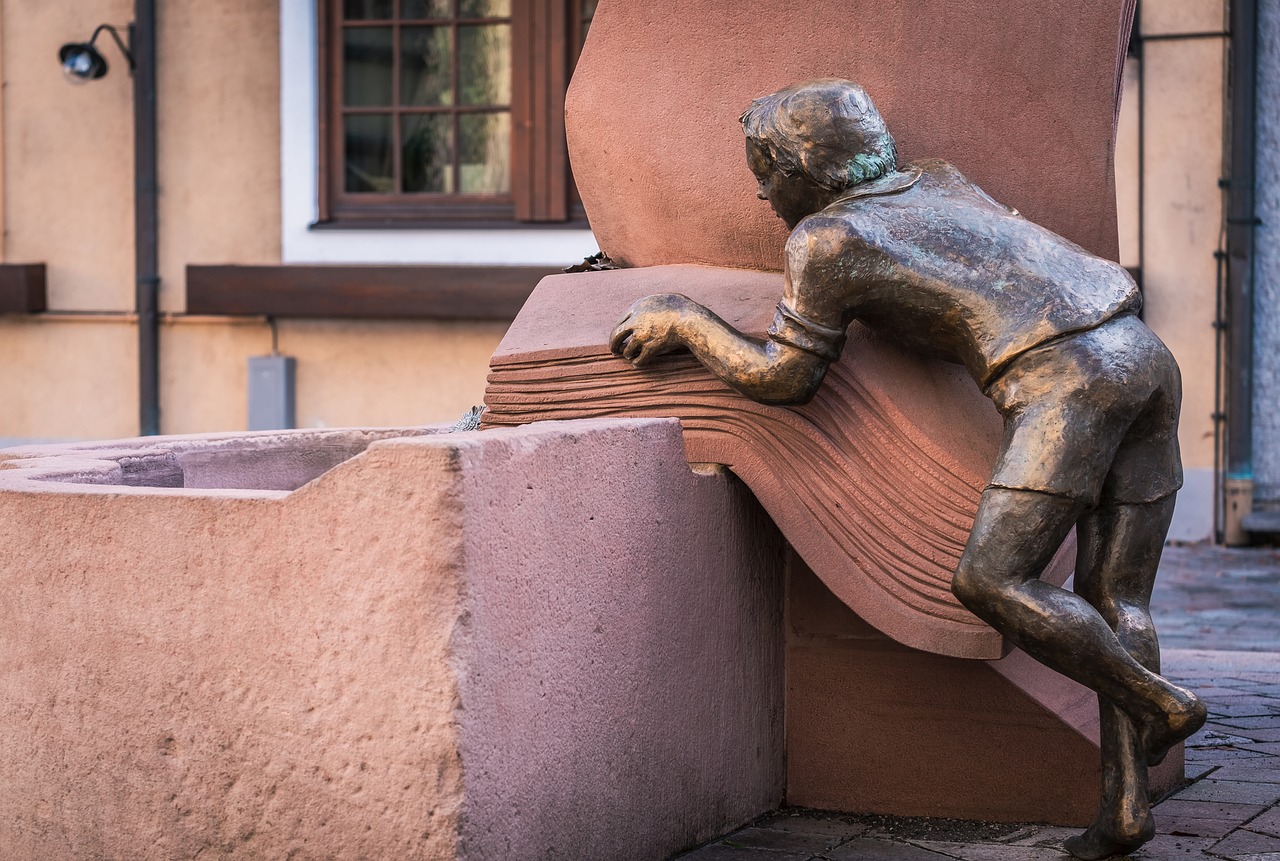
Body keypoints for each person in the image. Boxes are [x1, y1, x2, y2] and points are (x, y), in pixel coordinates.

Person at [609, 79, 1206, 860]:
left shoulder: (824, 240)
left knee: (991, 580)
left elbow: (788, 378)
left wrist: (687, 318)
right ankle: (1126, 807)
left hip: (1069, 379)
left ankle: (1158, 699)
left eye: (767, 169)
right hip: (1141, 350)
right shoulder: (938, 176)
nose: (759, 191)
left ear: (808, 170)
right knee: (1118, 597)